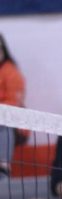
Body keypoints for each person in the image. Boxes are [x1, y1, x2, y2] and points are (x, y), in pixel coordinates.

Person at [0, 34, 25, 177]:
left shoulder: (11, 72)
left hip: (12, 123)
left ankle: (3, 169)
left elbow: (13, 104)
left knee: (4, 124)